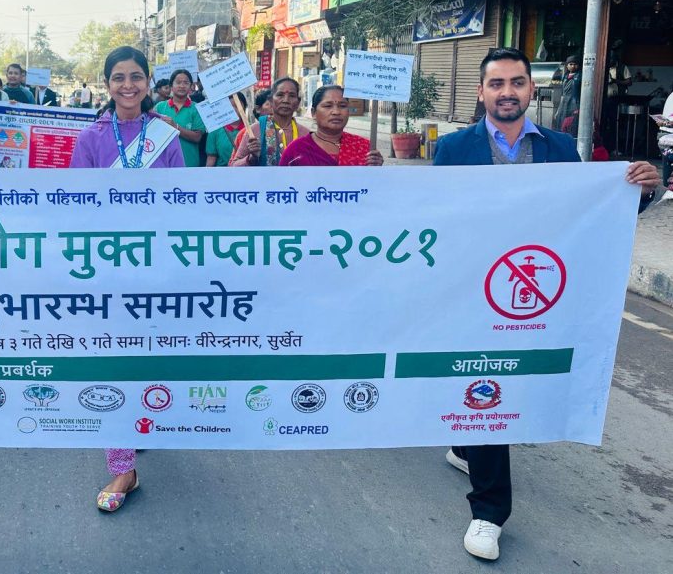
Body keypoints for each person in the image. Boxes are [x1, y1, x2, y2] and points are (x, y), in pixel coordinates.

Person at [433, 47, 658, 562]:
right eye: (497, 84)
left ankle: (465, 445)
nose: (507, 92)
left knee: (510, 382)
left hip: (529, 295)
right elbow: (434, 219)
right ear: (481, 92)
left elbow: (589, 213)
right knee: (486, 387)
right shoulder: (451, 150)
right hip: (471, 293)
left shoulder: (559, 149)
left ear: (531, 90)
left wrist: (641, 191)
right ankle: (489, 513)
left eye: (517, 83)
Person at [69, 45, 184, 512]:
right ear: (107, 83)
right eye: (118, 77)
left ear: (148, 81)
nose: (128, 85)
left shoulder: (166, 137)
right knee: (111, 363)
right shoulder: (91, 137)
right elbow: (74, 205)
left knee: (151, 356)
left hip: (156, 265)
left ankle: (147, 419)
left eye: (137, 76)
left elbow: (183, 202)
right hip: (107, 267)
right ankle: (123, 468)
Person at [280, 85, 384, 166]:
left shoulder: (364, 147)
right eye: (328, 106)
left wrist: (376, 169)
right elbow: (281, 186)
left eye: (342, 106)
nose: (336, 112)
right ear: (313, 113)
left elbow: (374, 188)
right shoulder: (296, 150)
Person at [230, 77, 308, 166]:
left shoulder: (305, 134)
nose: (286, 100)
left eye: (292, 95)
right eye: (280, 95)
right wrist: (252, 157)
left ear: (298, 103)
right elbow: (233, 167)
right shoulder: (255, 130)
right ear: (271, 101)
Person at [154, 69, 206, 167]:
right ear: (171, 87)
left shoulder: (197, 108)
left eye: (186, 83)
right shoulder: (159, 107)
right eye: (178, 82)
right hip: (164, 165)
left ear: (191, 86)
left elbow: (197, 137)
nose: (182, 86)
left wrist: (175, 127)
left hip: (189, 165)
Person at [205, 93, 247, 167]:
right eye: (230, 106)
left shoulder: (250, 130)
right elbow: (211, 158)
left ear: (244, 107)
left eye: (237, 105)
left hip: (244, 173)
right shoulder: (215, 130)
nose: (234, 109)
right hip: (221, 174)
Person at [552, 55, 580, 134]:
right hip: (564, 102)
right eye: (570, 64)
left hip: (573, 103)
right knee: (561, 122)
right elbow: (562, 93)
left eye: (575, 64)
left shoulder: (580, 76)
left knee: (572, 123)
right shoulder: (565, 76)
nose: (573, 66)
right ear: (567, 66)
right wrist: (558, 110)